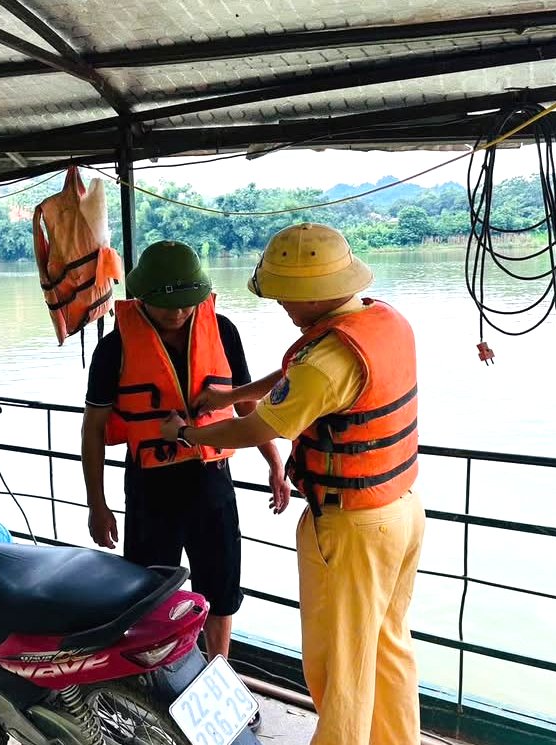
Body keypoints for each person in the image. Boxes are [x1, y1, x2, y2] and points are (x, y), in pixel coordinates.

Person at [159, 223, 425, 745]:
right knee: (387, 646)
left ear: (311, 293)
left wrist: (187, 431)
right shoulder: (380, 321)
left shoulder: (327, 361)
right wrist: (226, 395)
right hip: (401, 509)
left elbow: (263, 423)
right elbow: (293, 384)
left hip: (352, 527)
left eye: (286, 293)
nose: (280, 303)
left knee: (339, 663)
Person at [81, 240, 290, 673]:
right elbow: (94, 429)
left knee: (222, 586)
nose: (178, 313)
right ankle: (158, 680)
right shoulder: (114, 348)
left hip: (212, 478)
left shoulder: (224, 331)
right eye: (166, 305)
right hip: (150, 486)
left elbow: (247, 405)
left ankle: (221, 677)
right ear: (142, 298)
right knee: (148, 590)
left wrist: (274, 463)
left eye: (186, 303)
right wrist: (97, 505)